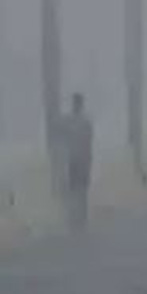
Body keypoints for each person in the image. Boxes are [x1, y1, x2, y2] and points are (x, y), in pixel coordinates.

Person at [58, 92, 93, 230]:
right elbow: (89, 141)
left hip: (77, 159)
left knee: (78, 189)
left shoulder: (70, 121)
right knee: (79, 189)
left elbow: (62, 137)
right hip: (79, 159)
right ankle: (79, 216)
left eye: (76, 103)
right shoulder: (84, 122)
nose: (76, 105)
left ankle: (77, 217)